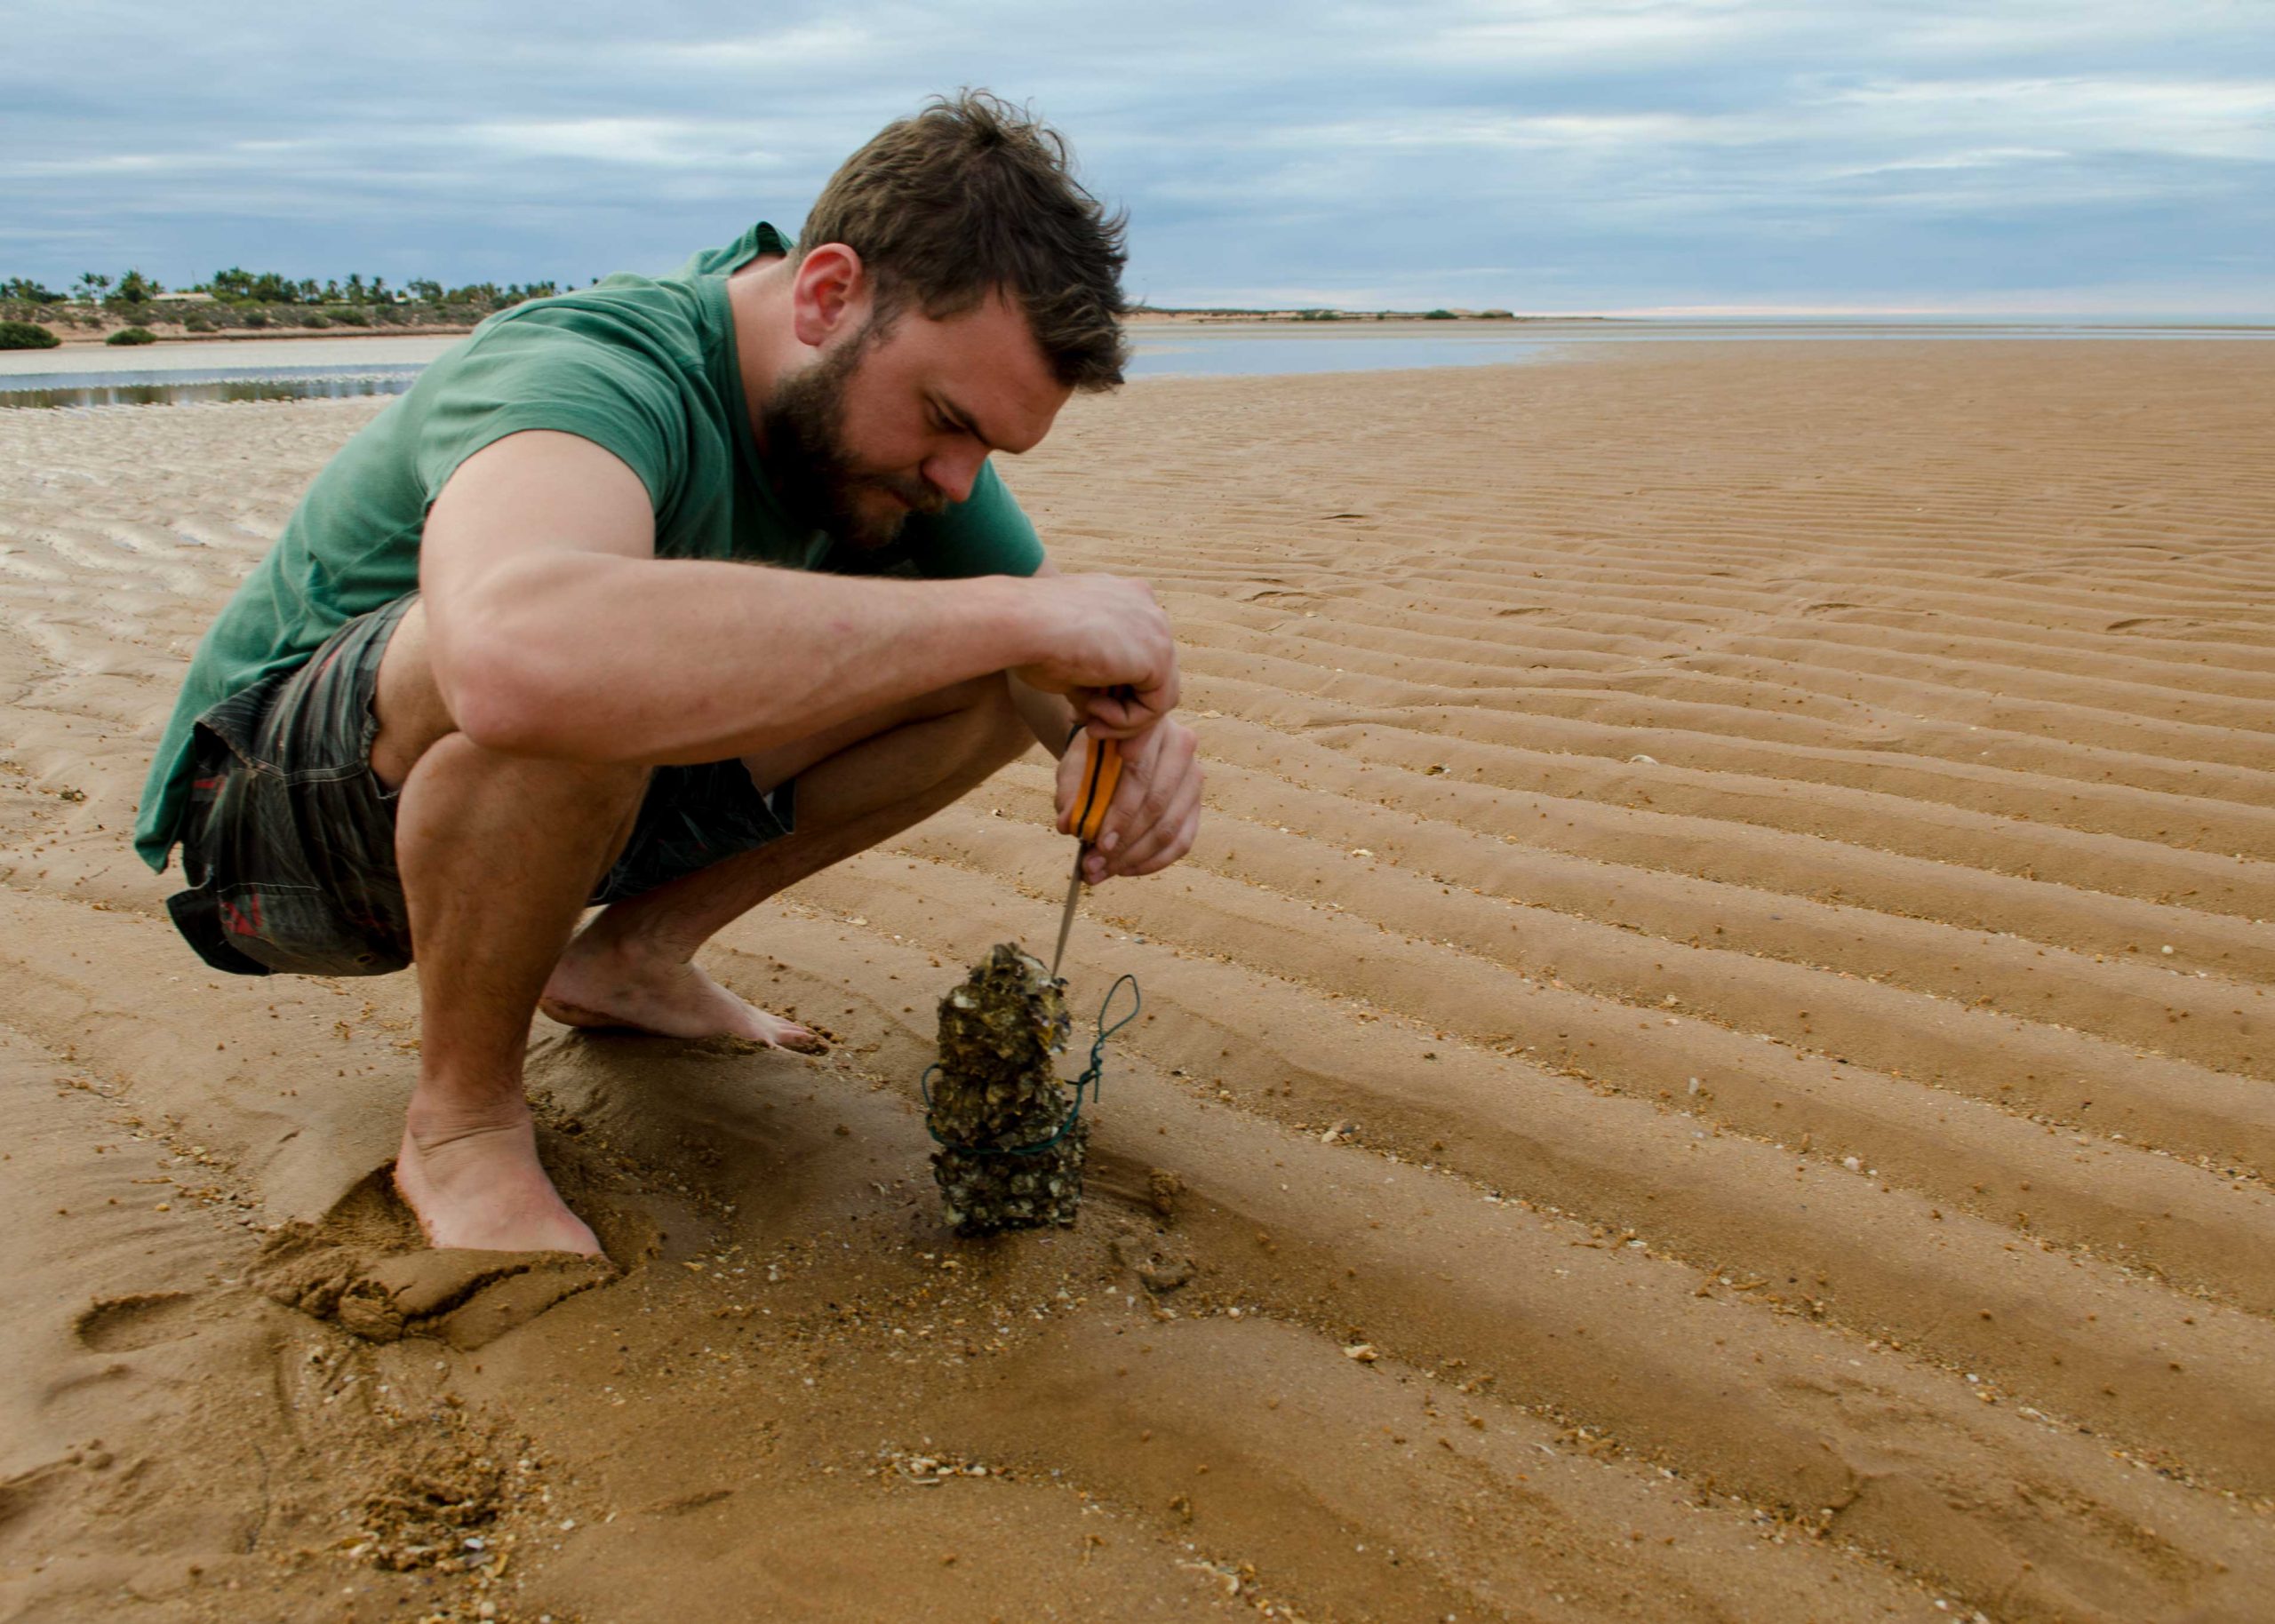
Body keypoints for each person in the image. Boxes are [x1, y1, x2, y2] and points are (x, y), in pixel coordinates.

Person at [132, 92, 1202, 1257]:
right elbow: (510, 660)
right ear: (829, 294)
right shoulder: (593, 367)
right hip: (271, 836)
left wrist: (1124, 744)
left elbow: (1042, 668)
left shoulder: (885, 435)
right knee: (580, 660)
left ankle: (630, 959)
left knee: (989, 674)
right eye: (946, 421)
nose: (958, 480)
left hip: (549, 792)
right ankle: (462, 1127)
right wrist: (1006, 613)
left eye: (990, 448)